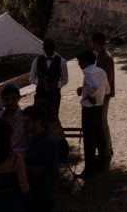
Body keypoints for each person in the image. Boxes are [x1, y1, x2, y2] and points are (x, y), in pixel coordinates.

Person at [75, 50, 110, 179]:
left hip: (89, 109)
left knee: (89, 140)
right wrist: (84, 90)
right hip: (99, 107)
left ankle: (89, 170)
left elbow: (94, 86)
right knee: (99, 136)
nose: (79, 64)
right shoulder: (101, 71)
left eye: (80, 62)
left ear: (85, 62)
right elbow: (107, 89)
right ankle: (101, 164)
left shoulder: (87, 71)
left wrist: (90, 96)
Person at [21, 106, 58, 212]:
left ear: (38, 121)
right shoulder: (33, 138)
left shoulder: (48, 142)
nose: (24, 125)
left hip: (42, 196)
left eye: (27, 122)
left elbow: (48, 171)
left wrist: (22, 167)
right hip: (32, 193)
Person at [29, 38, 68, 115]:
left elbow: (65, 79)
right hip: (40, 94)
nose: (48, 50)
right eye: (46, 48)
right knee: (38, 116)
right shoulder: (36, 61)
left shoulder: (62, 62)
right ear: (43, 48)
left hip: (54, 95)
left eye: (50, 48)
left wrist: (56, 84)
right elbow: (31, 78)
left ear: (54, 47)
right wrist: (38, 81)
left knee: (53, 117)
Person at [91, 32, 115, 162]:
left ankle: (106, 150)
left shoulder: (106, 57)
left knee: (102, 121)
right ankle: (106, 149)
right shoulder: (101, 56)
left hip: (104, 94)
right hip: (101, 93)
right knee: (102, 121)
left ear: (97, 43)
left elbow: (108, 78)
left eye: (93, 42)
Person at [0, 84, 27, 153]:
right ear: (2, 100)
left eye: (14, 98)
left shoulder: (25, 117)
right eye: (6, 99)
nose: (10, 102)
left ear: (19, 98)